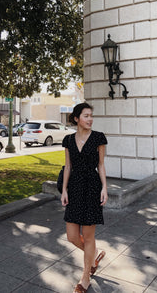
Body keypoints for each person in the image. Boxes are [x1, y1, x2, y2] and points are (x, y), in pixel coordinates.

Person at [61, 102, 108, 293]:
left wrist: (105, 187)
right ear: (76, 118)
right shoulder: (68, 140)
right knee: (72, 237)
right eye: (86, 116)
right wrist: (64, 190)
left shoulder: (98, 138)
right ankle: (94, 256)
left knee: (89, 237)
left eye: (91, 115)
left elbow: (101, 165)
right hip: (73, 188)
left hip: (92, 188)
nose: (90, 119)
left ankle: (85, 277)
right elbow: (68, 167)